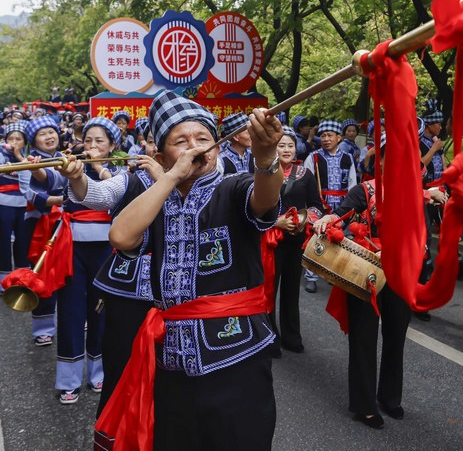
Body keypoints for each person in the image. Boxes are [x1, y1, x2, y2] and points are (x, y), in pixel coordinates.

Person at [97, 90, 283, 450]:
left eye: (203, 138)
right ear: (162, 155)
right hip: (170, 363)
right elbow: (121, 236)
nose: (195, 146)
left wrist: (266, 158)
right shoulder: (156, 202)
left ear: (216, 147)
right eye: (180, 141)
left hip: (236, 357)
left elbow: (266, 197)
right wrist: (169, 178)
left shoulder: (234, 187)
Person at [313, 133, 447, 430]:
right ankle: (364, 404)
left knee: (396, 336)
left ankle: (389, 397)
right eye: (390, 156)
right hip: (367, 272)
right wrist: (325, 221)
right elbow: (338, 215)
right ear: (381, 160)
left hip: (402, 274)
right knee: (363, 338)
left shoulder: (419, 192)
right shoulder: (364, 190)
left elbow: (424, 233)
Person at [52, 117, 123, 404]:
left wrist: (98, 168)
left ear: (112, 146)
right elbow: (48, 183)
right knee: (70, 312)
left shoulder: (120, 171)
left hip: (106, 248)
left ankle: (98, 373)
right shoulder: (70, 165)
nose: (92, 145)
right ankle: (68, 380)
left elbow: (120, 202)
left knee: (101, 311)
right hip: (72, 247)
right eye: (88, 140)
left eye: (99, 141)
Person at [270, 126, 323, 353]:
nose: (286, 149)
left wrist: (304, 219)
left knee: (292, 289)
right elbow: (254, 206)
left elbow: (317, 206)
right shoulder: (264, 172)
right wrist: (276, 221)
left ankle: (291, 336)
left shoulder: (305, 175)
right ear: (273, 148)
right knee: (268, 290)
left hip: (296, 240)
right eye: (281, 145)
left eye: (290, 145)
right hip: (270, 239)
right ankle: (269, 338)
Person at [17, 116, 65, 347]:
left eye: (51, 132)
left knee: (66, 270)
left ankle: (69, 319)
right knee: (43, 272)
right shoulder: (29, 162)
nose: (49, 137)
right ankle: (43, 327)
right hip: (40, 224)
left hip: (66, 222)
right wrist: (60, 200)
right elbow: (30, 194)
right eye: (42, 134)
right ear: (33, 141)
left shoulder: (66, 158)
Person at [302, 119, 357, 293]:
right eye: (323, 136)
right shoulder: (314, 157)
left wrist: (352, 206)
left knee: (339, 240)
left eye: (330, 135)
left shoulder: (347, 158)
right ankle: (311, 276)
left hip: (342, 205)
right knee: (316, 238)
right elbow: (306, 181)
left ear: (338, 137)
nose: (326, 139)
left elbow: (352, 183)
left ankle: (334, 274)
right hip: (320, 204)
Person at [0, 121, 29, 290]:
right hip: (4, 201)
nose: (15, 142)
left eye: (19, 139)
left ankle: (22, 278)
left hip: (24, 203)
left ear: (25, 142)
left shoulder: (28, 156)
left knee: (23, 241)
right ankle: (3, 279)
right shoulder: (2, 154)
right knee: (3, 240)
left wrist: (19, 156)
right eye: (11, 138)